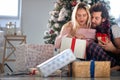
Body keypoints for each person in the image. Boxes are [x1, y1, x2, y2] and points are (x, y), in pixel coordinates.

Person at [86, 2, 120, 70]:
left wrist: (113, 49)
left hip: (113, 59)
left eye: (96, 18)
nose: (93, 20)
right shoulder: (89, 27)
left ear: (103, 19)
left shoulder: (114, 27)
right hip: (95, 60)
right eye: (92, 17)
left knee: (92, 46)